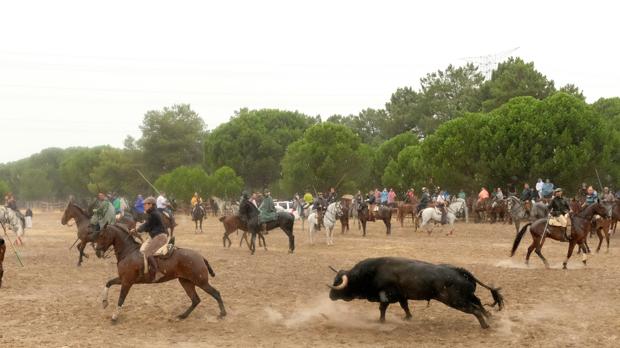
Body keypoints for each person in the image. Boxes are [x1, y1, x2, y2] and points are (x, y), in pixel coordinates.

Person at [136, 196, 168, 282]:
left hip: (159, 236)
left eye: (145, 204)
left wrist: (137, 229)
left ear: (151, 205)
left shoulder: (153, 214)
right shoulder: (153, 213)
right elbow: (148, 226)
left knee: (147, 252)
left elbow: (146, 226)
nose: (144, 206)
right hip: (158, 235)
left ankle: (158, 272)